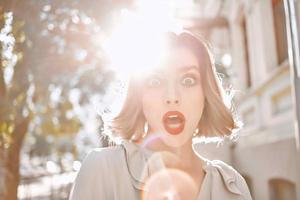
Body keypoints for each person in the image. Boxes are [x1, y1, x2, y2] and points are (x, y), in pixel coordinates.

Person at [69, 31, 253, 200]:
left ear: (205, 93)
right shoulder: (102, 170)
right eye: (155, 81)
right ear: (139, 96)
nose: (172, 97)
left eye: (188, 80)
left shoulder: (233, 186)